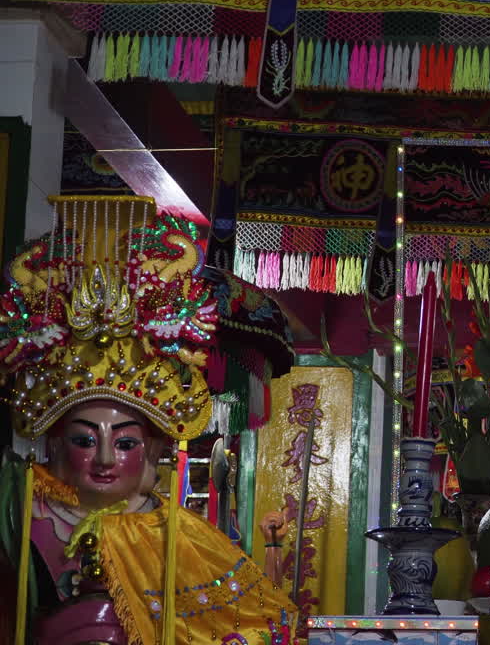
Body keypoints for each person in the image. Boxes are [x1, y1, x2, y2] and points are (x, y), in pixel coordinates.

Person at [0, 195, 297, 644]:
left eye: (125, 443)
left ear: (156, 448)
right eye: (84, 440)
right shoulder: (19, 510)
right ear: (56, 443)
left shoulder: (181, 537)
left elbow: (254, 628)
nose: (104, 458)